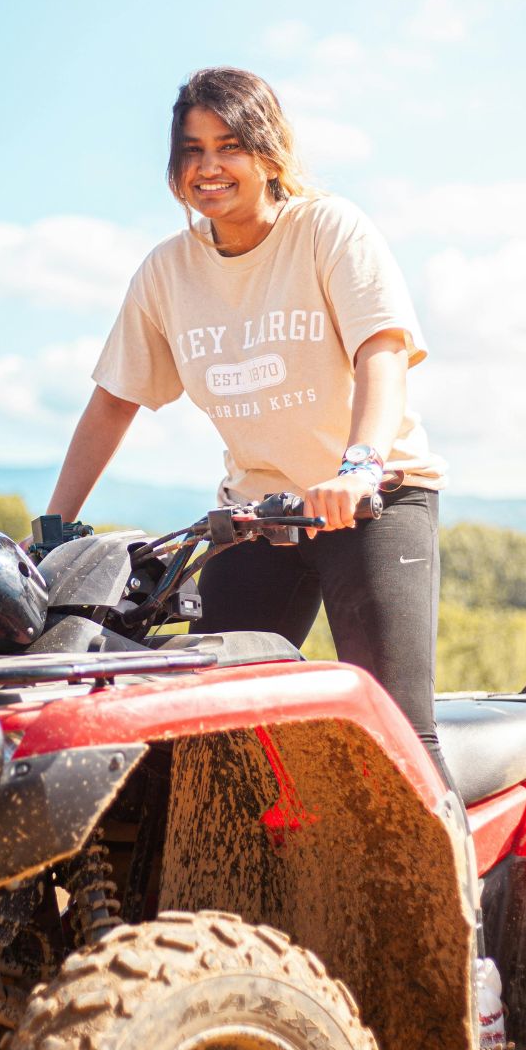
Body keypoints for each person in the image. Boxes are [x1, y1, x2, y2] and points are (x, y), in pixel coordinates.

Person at [45, 66, 454, 788]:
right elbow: (113, 401)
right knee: (209, 733)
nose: (208, 167)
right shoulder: (167, 272)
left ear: (269, 153)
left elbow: (380, 352)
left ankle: (460, 901)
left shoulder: (328, 228)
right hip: (259, 516)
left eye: (227, 145)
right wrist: (50, 530)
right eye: (191, 149)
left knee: (397, 729)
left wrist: (359, 466)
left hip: (372, 500)